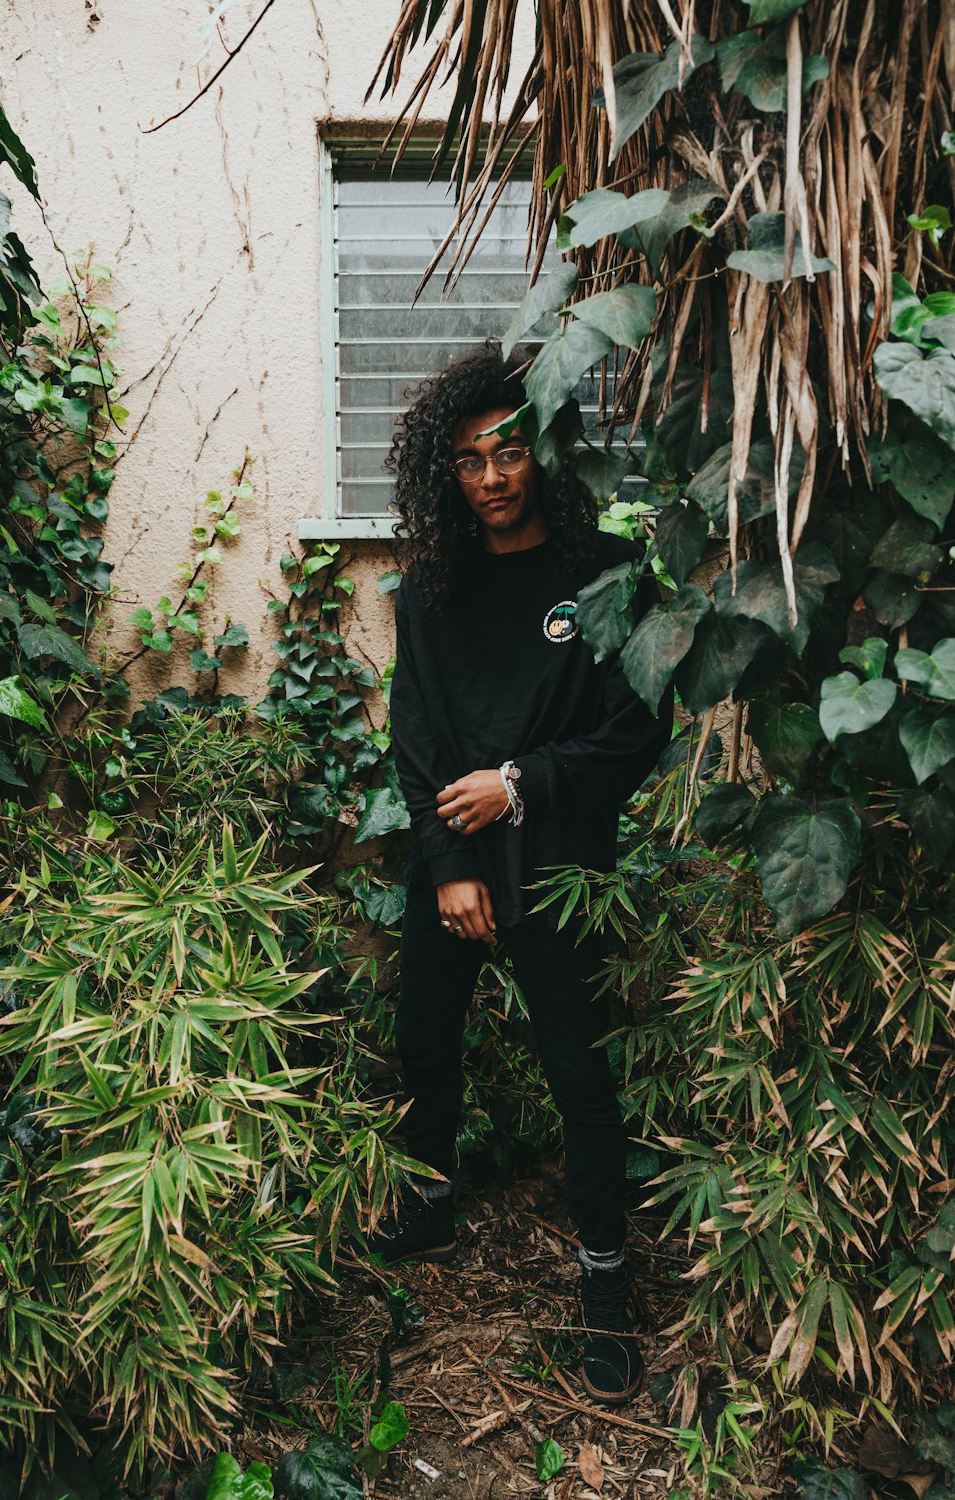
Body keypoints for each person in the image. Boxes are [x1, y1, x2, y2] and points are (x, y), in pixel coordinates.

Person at [371, 342, 673, 1406]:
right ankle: (434, 1200)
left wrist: (518, 782)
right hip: (452, 869)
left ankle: (602, 1287)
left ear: (542, 454)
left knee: (579, 1076)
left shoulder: (599, 580)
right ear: (444, 475)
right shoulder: (431, 592)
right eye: (467, 460)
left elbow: (635, 734)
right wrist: (450, 864)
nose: (492, 476)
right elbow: (416, 743)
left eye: (508, 452)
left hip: (556, 868)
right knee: (423, 1039)